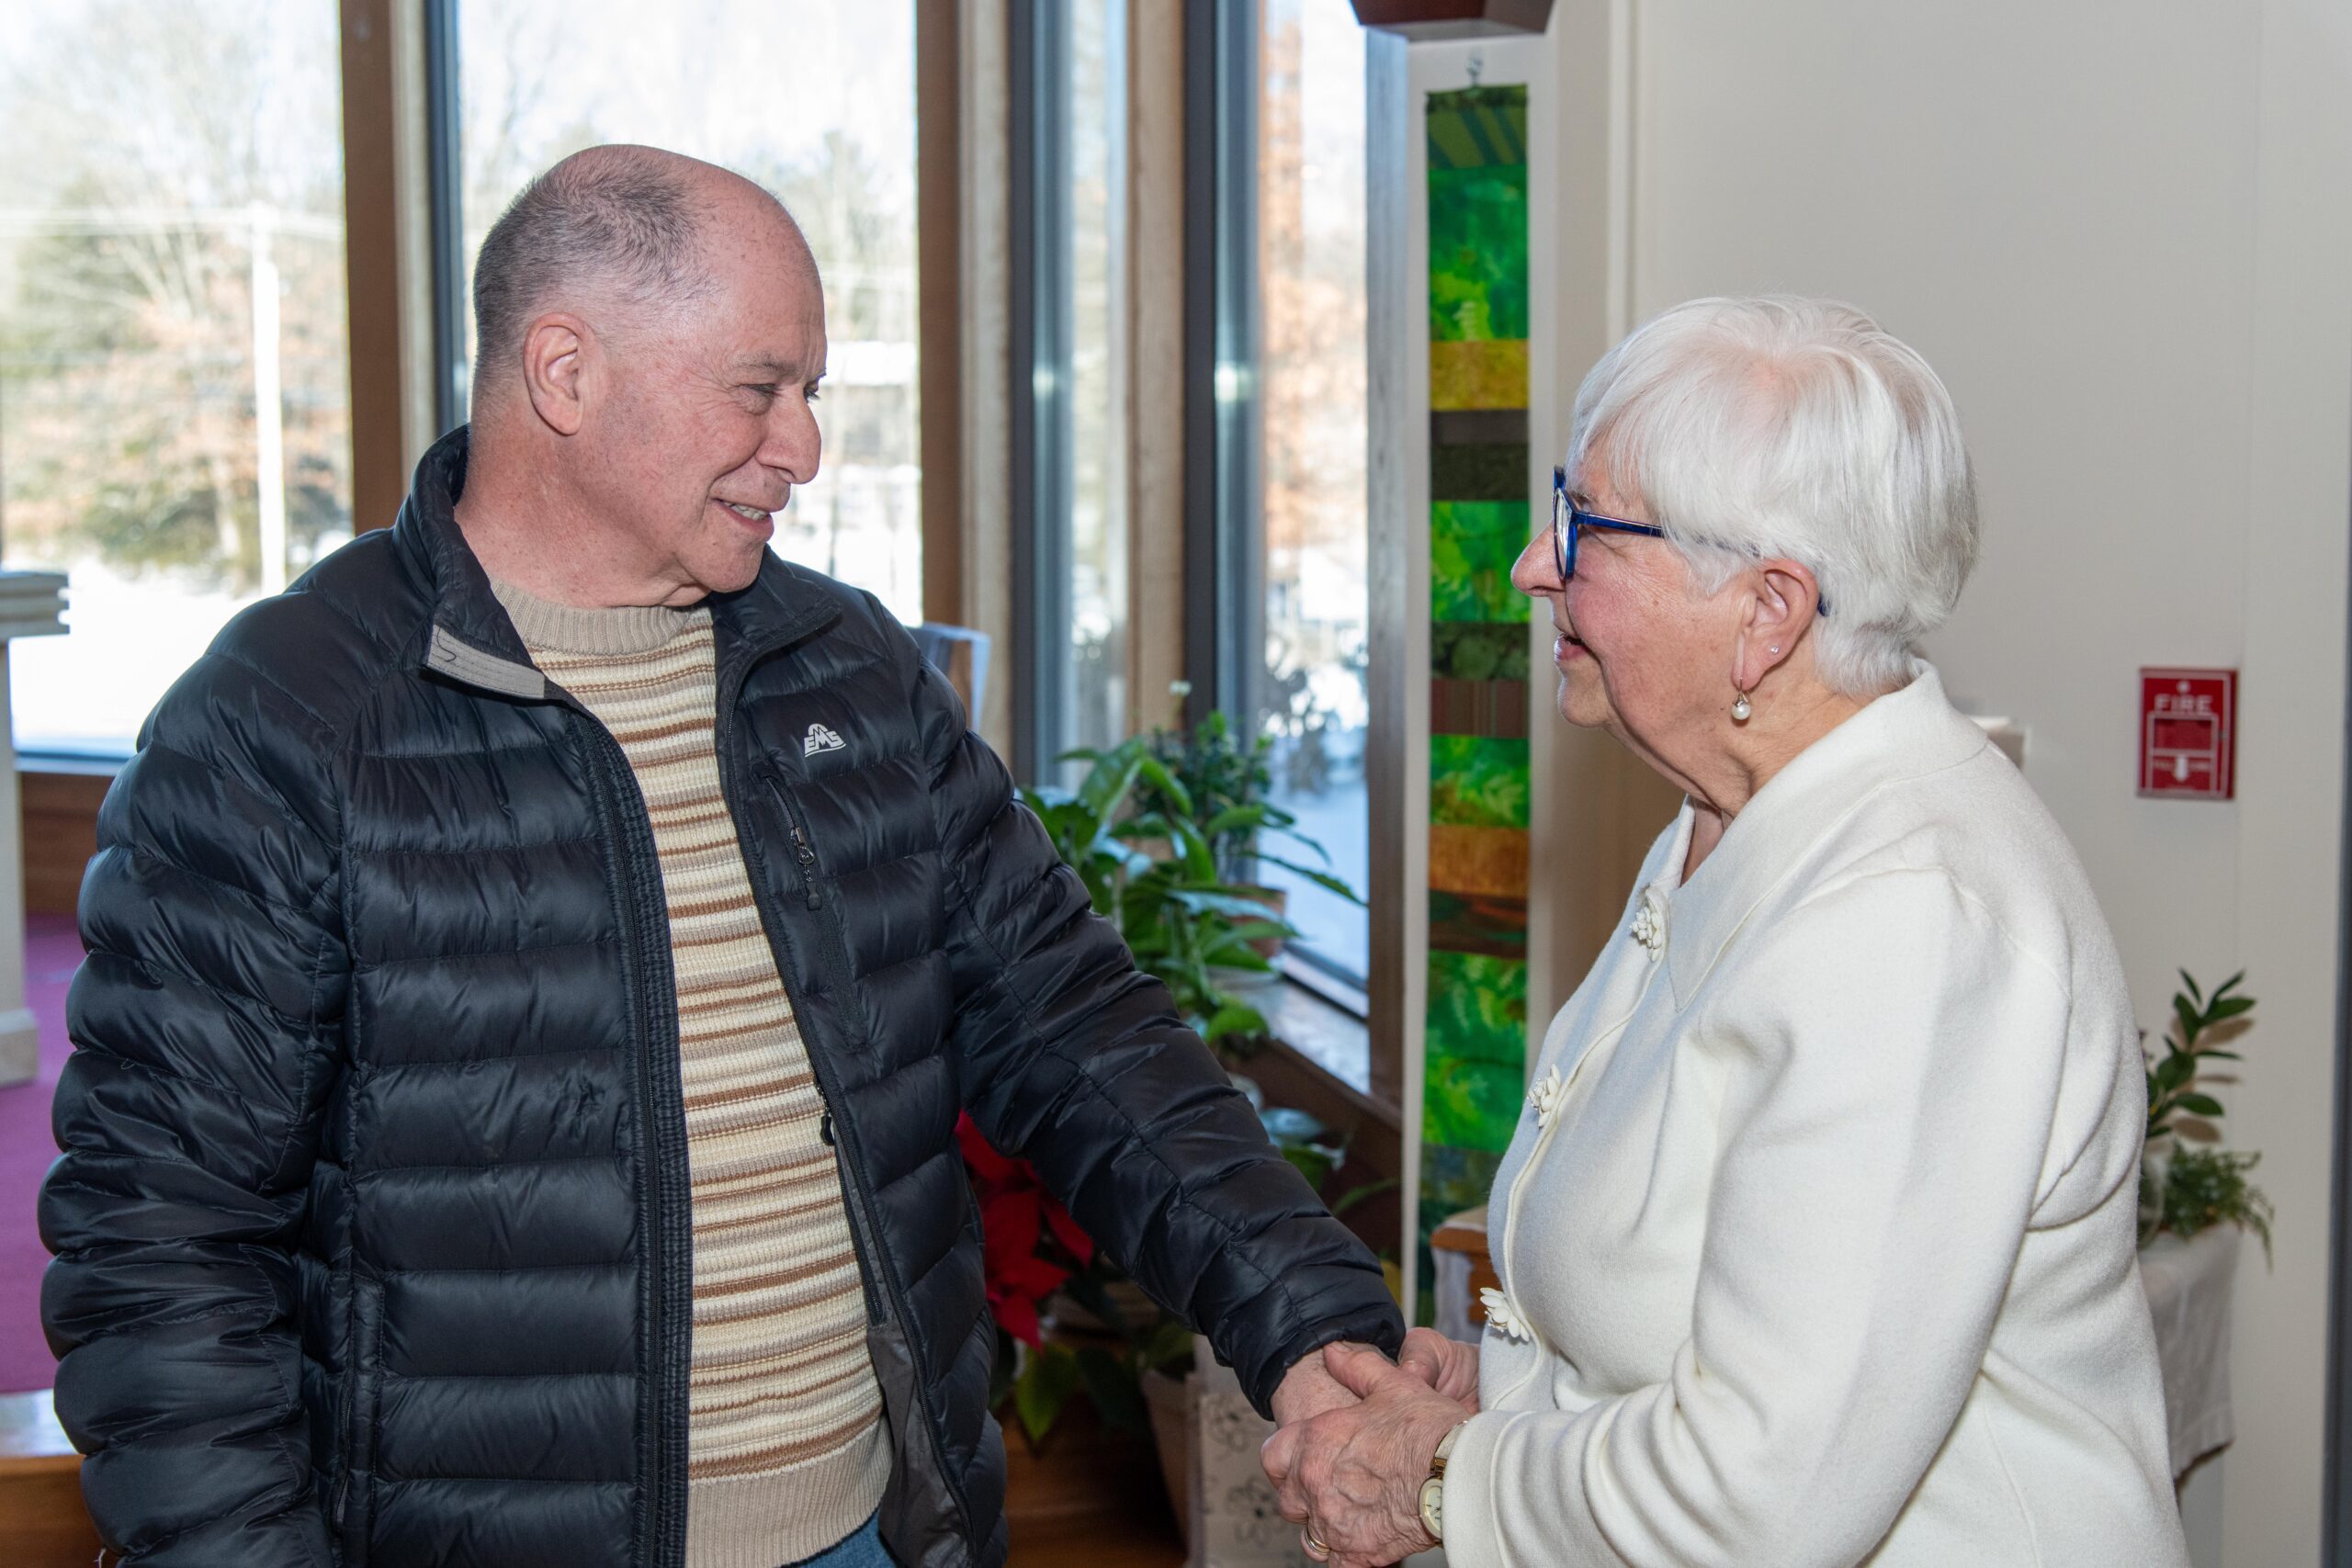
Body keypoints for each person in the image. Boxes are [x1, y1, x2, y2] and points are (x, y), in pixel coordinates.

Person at [39, 145, 1401, 1568]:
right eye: (759, 389)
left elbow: (1078, 1031)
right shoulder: (280, 724)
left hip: (876, 1536)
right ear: (565, 373)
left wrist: (1308, 1319)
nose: (803, 447)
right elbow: (161, 1251)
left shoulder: (850, 669)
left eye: (811, 393)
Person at [1262, 296, 2189, 1567]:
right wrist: (1503, 1400)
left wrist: (1438, 1478)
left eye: (1586, 528)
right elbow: (1684, 1306)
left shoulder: (1907, 921)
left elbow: (1759, 1501)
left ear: (1766, 611)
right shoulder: (1731, 818)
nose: (1534, 566)